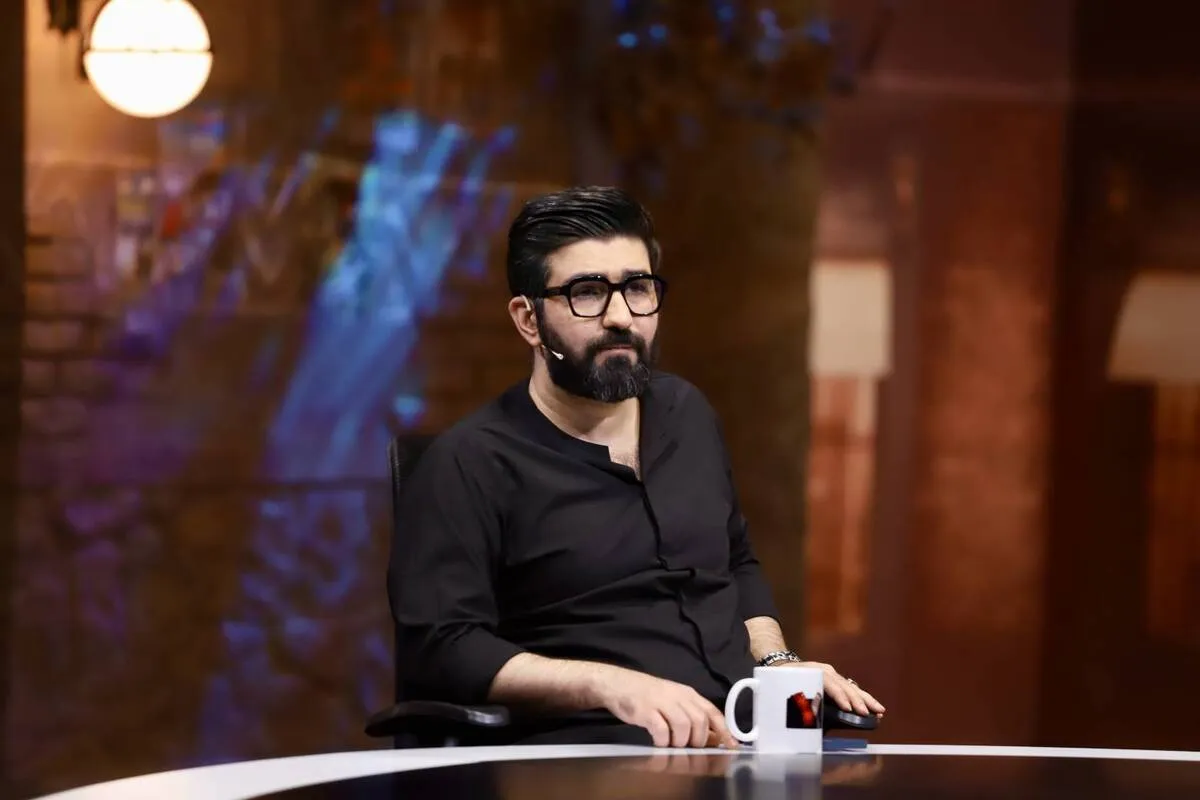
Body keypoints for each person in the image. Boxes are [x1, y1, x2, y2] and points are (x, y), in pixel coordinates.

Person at [387, 186, 885, 747]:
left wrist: (778, 665)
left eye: (638, 288)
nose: (622, 316)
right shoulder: (470, 463)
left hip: (741, 736)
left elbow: (735, 562)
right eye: (588, 293)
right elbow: (442, 646)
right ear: (529, 320)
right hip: (592, 751)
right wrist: (609, 686)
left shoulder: (686, 414)